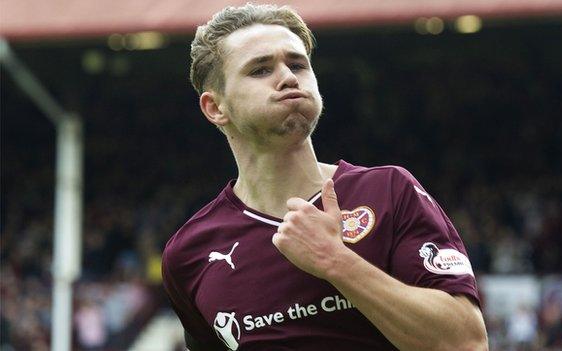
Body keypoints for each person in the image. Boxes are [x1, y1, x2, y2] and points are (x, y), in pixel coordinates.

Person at [162, 4, 488, 350]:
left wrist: (336, 261)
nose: (288, 77)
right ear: (215, 107)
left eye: (298, 64)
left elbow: (466, 342)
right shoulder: (189, 254)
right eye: (260, 70)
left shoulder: (389, 191)